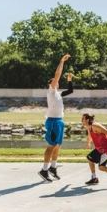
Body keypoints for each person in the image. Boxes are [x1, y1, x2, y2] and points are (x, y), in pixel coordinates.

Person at [38, 54, 72, 183]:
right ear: (51, 84)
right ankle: (44, 170)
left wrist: (69, 80)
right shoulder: (51, 91)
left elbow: (70, 90)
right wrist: (61, 61)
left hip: (59, 121)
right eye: (54, 81)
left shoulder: (58, 93)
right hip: (52, 121)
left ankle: (53, 168)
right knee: (51, 146)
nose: (56, 81)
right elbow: (57, 74)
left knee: (57, 146)